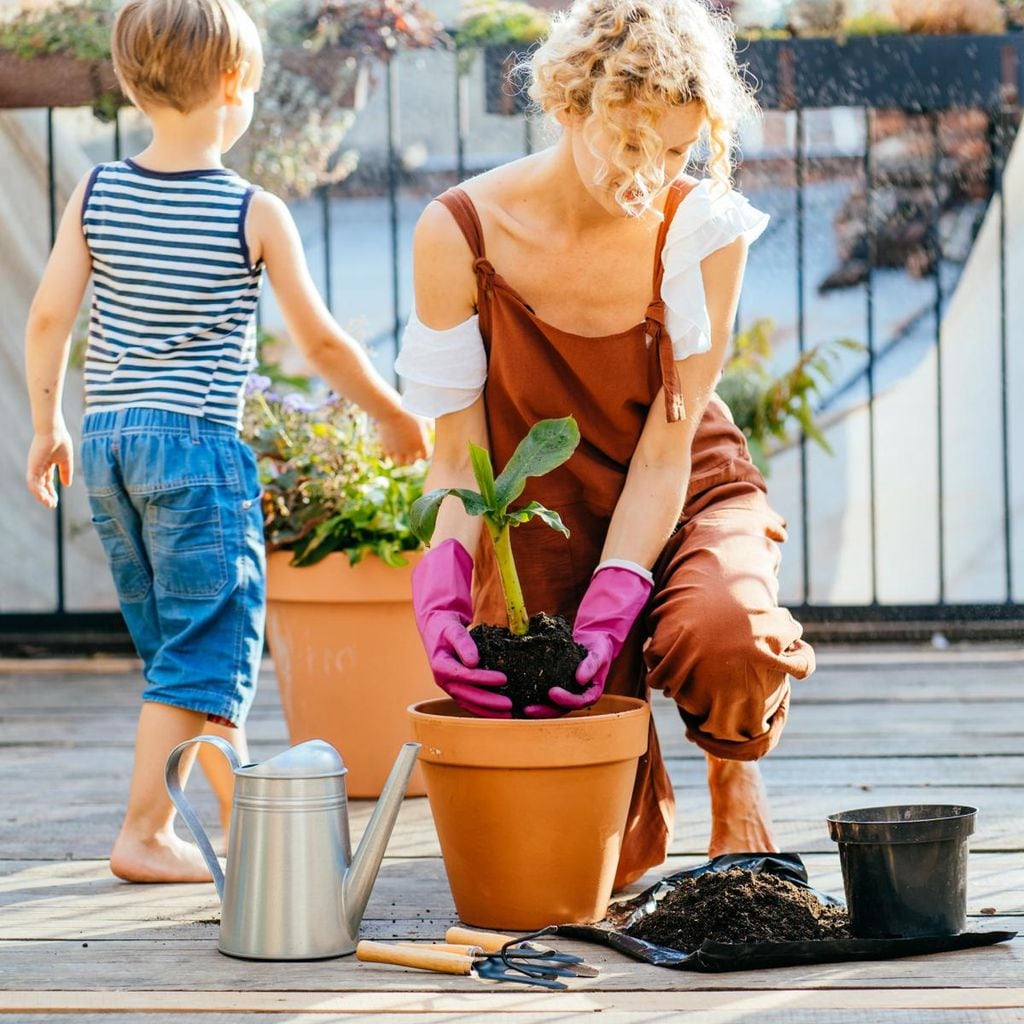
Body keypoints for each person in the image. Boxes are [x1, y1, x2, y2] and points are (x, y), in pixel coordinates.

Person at [400, 0, 814, 888]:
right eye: (633, 147)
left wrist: (616, 597)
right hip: (547, 518)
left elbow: (668, 451)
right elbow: (456, 454)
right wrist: (441, 590)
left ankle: (733, 769)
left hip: (685, 487)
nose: (653, 176)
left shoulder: (700, 226)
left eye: (677, 150)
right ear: (566, 107)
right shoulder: (460, 236)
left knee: (728, 638)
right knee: (599, 864)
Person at [23, 0, 429, 884]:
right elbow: (319, 342)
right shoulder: (253, 209)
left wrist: (47, 421)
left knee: (189, 654)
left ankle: (243, 830)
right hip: (195, 449)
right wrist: (394, 414)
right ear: (238, 85)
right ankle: (141, 832)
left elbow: (51, 316)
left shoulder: (95, 192)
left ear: (131, 84)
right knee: (208, 650)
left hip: (107, 445)